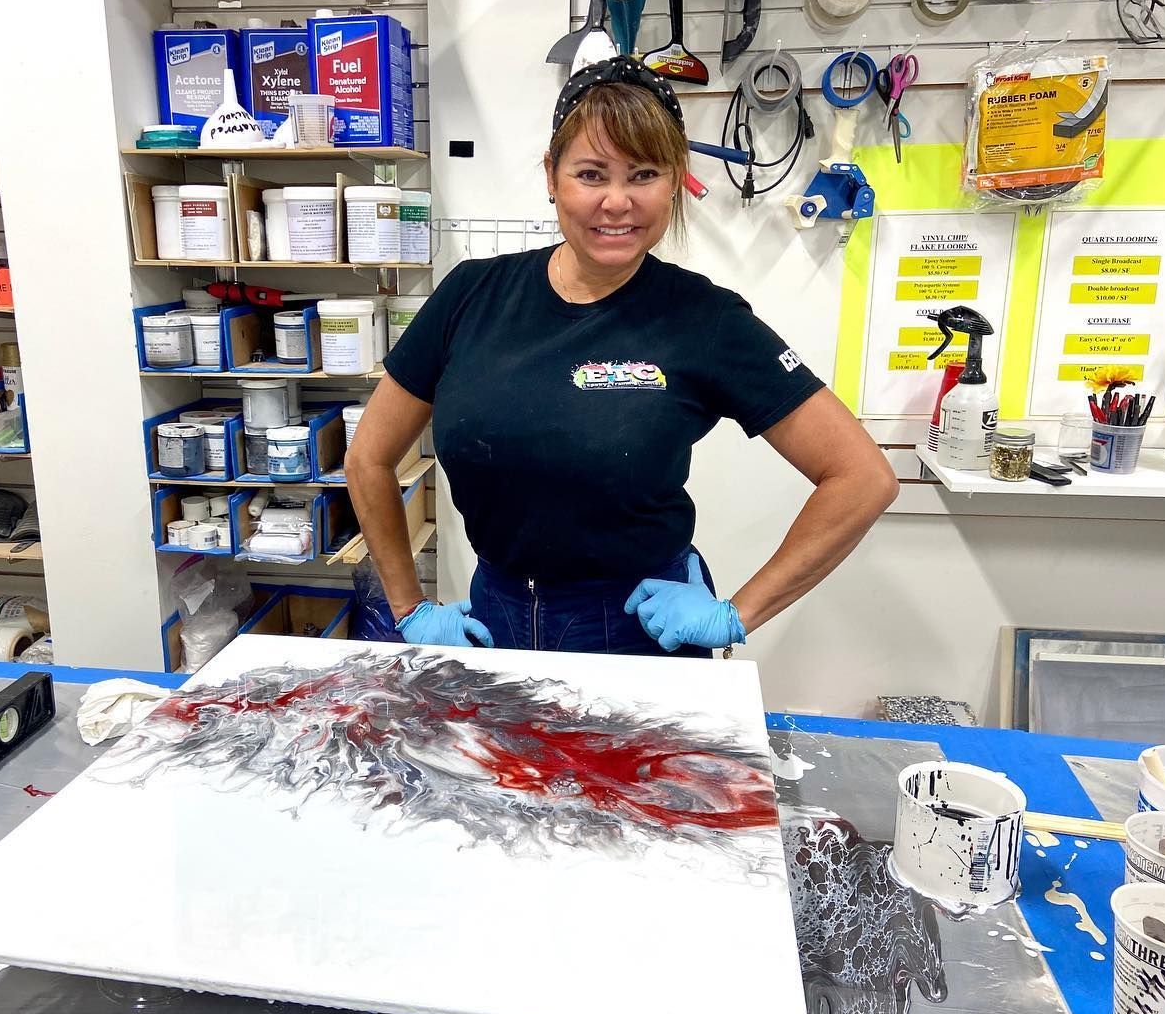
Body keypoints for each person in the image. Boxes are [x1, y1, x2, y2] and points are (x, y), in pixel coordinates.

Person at [346, 56, 898, 658]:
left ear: (674, 182)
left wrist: (736, 614)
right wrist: (409, 607)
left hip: (637, 630)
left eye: (642, 174)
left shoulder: (704, 318)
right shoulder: (470, 295)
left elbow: (862, 478)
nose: (616, 201)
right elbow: (369, 459)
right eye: (590, 173)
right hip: (494, 621)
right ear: (551, 176)